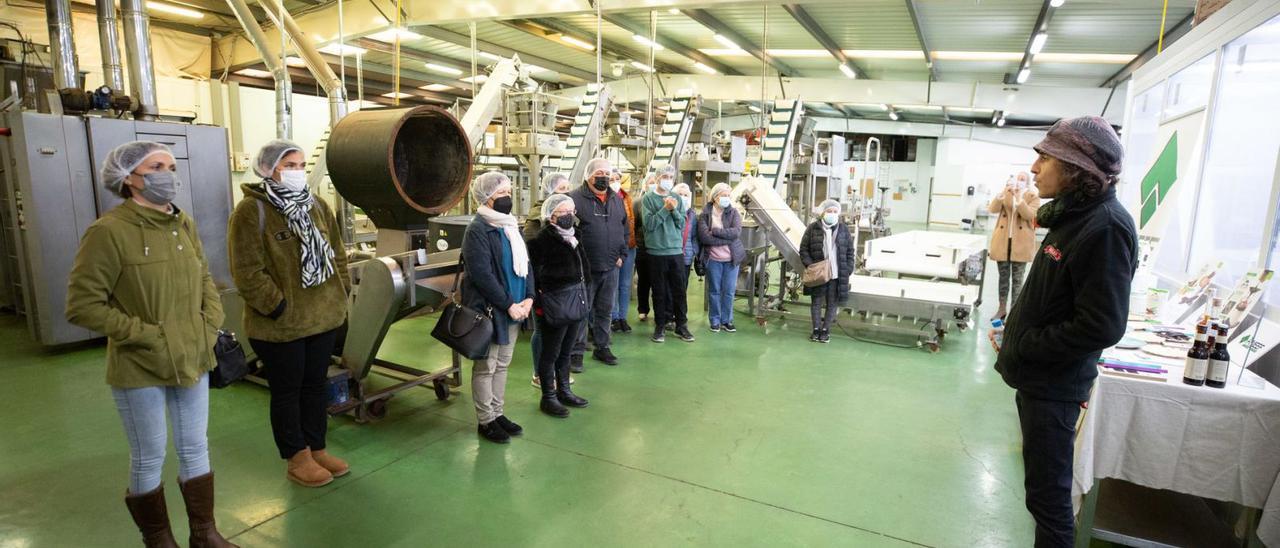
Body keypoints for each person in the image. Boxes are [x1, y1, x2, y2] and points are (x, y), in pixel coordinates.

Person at [66, 141, 237, 547]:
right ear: (129, 178)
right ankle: (160, 541)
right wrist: (147, 336)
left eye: (170, 166)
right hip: (139, 364)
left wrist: (210, 323)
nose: (168, 174)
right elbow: (82, 305)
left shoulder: (183, 224)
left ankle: (205, 534)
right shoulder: (108, 232)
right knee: (149, 456)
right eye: (156, 167)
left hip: (193, 355)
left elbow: (204, 279)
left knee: (196, 446)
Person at [992, 116, 1136, 548]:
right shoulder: (1071, 217)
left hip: (1054, 386)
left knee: (1050, 501)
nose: (1034, 169)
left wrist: (1029, 345)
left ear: (1076, 167)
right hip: (1038, 378)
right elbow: (1056, 297)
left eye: (1046, 157)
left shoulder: (1105, 226)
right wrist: (1014, 331)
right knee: (1042, 494)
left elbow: (1102, 324)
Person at [228, 139, 351, 488]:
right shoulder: (252, 212)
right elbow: (247, 271)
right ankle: (297, 457)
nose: (297, 171)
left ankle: (317, 447)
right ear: (269, 170)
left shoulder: (317, 206)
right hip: (280, 327)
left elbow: (337, 254)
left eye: (300, 165)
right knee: (288, 391)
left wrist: (339, 296)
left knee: (315, 386)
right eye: (289, 166)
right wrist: (279, 306)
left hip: (322, 318)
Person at [462, 172, 534, 444]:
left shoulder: (510, 226)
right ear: (485, 198)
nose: (508, 198)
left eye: (508, 192)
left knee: (503, 364)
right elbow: (482, 275)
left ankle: (498, 412)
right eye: (501, 194)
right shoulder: (478, 230)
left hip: (517, 307)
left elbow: (526, 264)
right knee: (486, 367)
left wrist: (528, 297)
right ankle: (486, 421)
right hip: (493, 310)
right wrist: (508, 305)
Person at [528, 194, 592, 417]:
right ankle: (549, 396)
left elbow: (584, 269)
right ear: (551, 216)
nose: (570, 216)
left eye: (572, 211)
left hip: (576, 302)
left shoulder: (575, 237)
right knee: (550, 353)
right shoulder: (539, 242)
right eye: (565, 212)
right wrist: (539, 304)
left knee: (567, 350)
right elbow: (533, 277)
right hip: (554, 305)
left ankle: (564, 390)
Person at [568, 158, 629, 367]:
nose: (603, 177)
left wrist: (622, 254)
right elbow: (566, 233)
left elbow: (624, 226)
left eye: (606, 173)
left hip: (611, 265)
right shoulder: (574, 199)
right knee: (582, 311)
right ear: (588, 176)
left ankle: (602, 347)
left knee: (605, 309)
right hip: (585, 267)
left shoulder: (615, 199)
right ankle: (576, 351)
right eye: (598, 174)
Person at [523, 172, 571, 389]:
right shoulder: (536, 220)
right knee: (542, 330)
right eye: (561, 189)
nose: (566, 193)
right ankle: (539, 374)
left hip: (563, 284)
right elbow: (534, 255)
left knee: (560, 330)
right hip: (544, 284)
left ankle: (555, 372)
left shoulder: (565, 215)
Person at [642, 165, 695, 343]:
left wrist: (672, 209)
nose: (668, 179)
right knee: (659, 291)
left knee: (679, 290)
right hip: (656, 252)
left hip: (675, 251)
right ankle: (660, 326)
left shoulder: (678, 199)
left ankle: (681, 325)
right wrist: (665, 209)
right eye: (664, 176)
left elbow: (681, 223)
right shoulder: (648, 199)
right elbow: (649, 225)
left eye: (671, 177)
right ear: (657, 178)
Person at [799, 200, 855, 343]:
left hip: (837, 275)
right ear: (823, 213)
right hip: (819, 274)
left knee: (832, 303)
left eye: (835, 212)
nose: (832, 214)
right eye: (829, 211)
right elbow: (804, 249)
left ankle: (825, 330)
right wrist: (811, 266)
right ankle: (816, 329)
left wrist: (847, 269)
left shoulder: (843, 230)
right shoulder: (813, 228)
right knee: (816, 302)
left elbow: (850, 252)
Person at [989, 171, 1041, 320]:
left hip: (1021, 243)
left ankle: (1015, 312)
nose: (1019, 181)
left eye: (1022, 179)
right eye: (1017, 179)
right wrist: (1001, 194)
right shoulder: (1006, 193)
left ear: (1028, 182)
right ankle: (1001, 308)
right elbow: (993, 209)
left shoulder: (1032, 196)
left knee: (1018, 280)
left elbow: (1030, 215)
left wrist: (1019, 198)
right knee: (1003, 278)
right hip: (1003, 241)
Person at [698, 183, 746, 333]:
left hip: (731, 259)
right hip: (713, 259)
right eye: (723, 195)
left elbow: (736, 233)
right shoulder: (705, 213)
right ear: (715, 197)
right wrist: (726, 237)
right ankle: (715, 320)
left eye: (728, 195)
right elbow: (705, 238)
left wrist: (716, 231)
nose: (726, 198)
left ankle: (727, 320)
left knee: (729, 291)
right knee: (714, 291)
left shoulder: (734, 213)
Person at [611, 170, 638, 334]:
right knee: (613, 284)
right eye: (611, 179)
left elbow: (631, 223)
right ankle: (613, 316)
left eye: (617, 179)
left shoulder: (627, 198)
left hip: (629, 246)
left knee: (625, 284)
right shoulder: (605, 199)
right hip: (613, 248)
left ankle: (622, 317)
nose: (615, 182)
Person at [673, 183, 700, 324]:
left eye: (686, 195)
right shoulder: (670, 211)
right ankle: (668, 315)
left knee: (682, 288)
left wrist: (695, 252)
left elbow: (694, 236)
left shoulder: (692, 215)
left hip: (686, 256)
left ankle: (680, 316)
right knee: (669, 287)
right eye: (680, 194)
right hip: (671, 255)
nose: (683, 198)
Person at [633, 174, 658, 323]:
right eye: (651, 183)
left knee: (658, 281)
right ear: (645, 185)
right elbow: (633, 226)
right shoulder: (637, 203)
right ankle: (643, 309)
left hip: (658, 247)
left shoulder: (663, 201)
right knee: (643, 280)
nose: (653, 185)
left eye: (656, 182)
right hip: (642, 247)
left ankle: (658, 309)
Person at [523, 172, 571, 241]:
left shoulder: (569, 212)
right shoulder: (537, 217)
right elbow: (529, 243)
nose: (566, 192)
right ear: (549, 192)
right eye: (562, 189)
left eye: (568, 188)